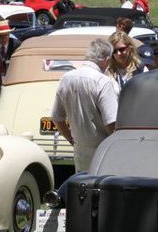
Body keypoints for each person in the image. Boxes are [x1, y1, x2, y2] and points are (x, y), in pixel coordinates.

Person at [50, 38, 118, 172]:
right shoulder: (102, 82)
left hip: (80, 150)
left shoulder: (66, 78)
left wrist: (71, 139)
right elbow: (111, 123)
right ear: (107, 60)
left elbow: (57, 118)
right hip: (102, 151)